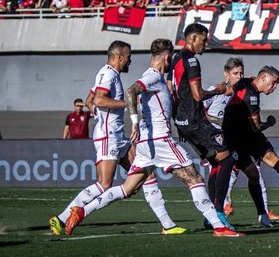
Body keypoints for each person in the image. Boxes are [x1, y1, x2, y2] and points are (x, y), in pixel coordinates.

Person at [64, 39, 242, 237]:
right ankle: (219, 226)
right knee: (195, 178)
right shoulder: (153, 77)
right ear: (166, 57)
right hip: (160, 141)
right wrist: (133, 121)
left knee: (127, 189)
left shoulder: (155, 79)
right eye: (170, 59)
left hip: (145, 146)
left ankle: (82, 211)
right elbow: (132, 91)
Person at [49, 40, 185, 236]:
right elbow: (98, 100)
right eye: (128, 57)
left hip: (117, 136)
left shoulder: (110, 74)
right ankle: (61, 218)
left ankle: (168, 224)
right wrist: (127, 105)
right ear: (119, 57)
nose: (130, 61)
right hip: (108, 136)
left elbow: (90, 101)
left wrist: (100, 115)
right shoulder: (108, 74)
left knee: (147, 175)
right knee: (104, 184)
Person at [223, 65, 279, 227]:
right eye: (273, 82)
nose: (275, 87)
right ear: (263, 78)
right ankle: (220, 211)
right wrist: (270, 123)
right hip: (235, 138)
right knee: (248, 174)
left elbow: (229, 90)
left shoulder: (246, 83)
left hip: (248, 134)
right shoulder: (251, 95)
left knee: (273, 160)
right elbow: (257, 126)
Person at [167, 23, 236, 230]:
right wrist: (218, 90)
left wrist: (177, 122)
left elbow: (172, 92)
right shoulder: (191, 61)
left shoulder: (175, 59)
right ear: (193, 39)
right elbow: (198, 95)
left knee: (217, 162)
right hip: (196, 121)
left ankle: (211, 216)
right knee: (227, 159)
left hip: (183, 121)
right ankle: (218, 213)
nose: (206, 44)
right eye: (204, 40)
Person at [202, 57, 279, 225]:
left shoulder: (243, 90)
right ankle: (214, 213)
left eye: (241, 73)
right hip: (216, 139)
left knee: (251, 173)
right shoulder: (216, 90)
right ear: (226, 73)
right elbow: (200, 109)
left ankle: (262, 211)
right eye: (235, 73)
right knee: (218, 173)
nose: (239, 76)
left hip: (233, 139)